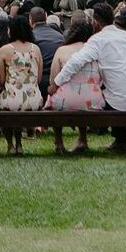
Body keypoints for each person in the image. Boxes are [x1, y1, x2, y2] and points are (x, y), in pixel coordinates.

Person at [48, 3, 126, 153]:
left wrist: (56, 83)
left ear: (95, 21)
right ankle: (122, 141)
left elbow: (75, 62)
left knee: (96, 101)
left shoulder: (97, 40)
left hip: (118, 99)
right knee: (107, 95)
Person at [44, 17, 104, 151]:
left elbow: (53, 79)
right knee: (83, 92)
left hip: (66, 100)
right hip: (93, 100)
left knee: (54, 97)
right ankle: (83, 139)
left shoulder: (62, 50)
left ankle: (59, 141)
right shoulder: (95, 50)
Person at [0, 15, 43, 153]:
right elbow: (38, 79)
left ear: (11, 30)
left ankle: (11, 145)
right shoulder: (36, 49)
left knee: (7, 102)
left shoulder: (5, 50)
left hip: (12, 98)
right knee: (15, 101)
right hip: (33, 99)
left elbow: (2, 80)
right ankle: (20, 144)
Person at [28, 7, 63, 93]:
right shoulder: (59, 36)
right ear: (46, 18)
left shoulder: (30, 38)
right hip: (58, 80)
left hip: (38, 80)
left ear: (31, 20)